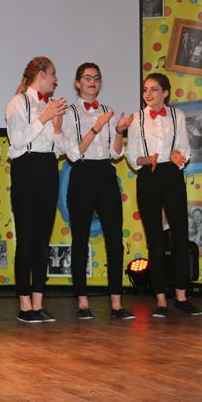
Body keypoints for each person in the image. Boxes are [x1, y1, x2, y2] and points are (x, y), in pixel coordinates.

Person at [57, 63, 133, 320]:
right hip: (81, 174)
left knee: (115, 239)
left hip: (106, 174)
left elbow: (116, 153)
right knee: (80, 239)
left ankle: (116, 303)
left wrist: (119, 131)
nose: (92, 82)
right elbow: (72, 152)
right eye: (87, 78)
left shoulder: (106, 110)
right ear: (77, 83)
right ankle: (82, 302)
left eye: (96, 78)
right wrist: (96, 128)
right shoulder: (69, 113)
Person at [127, 73, 202, 318]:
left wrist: (178, 156)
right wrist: (148, 159)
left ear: (166, 93)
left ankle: (181, 296)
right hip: (148, 176)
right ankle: (160, 300)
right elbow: (132, 156)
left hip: (171, 175)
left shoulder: (176, 115)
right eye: (145, 90)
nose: (148, 94)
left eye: (154, 89)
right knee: (155, 242)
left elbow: (184, 148)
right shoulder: (137, 118)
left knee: (180, 237)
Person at [6, 57, 67, 323]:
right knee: (27, 239)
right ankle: (24, 304)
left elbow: (61, 149)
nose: (55, 79)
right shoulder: (18, 102)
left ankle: (39, 302)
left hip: (48, 168)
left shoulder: (49, 106)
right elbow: (18, 140)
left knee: (43, 241)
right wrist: (45, 117)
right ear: (40, 75)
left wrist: (57, 127)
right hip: (26, 168)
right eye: (53, 74)